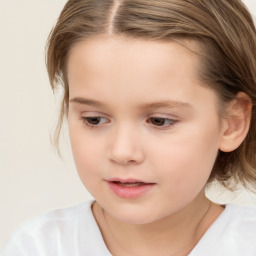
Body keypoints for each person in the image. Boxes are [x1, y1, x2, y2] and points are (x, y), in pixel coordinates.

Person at [1, 0, 256, 255]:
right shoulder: (38, 247)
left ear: (232, 123)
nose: (122, 152)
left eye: (160, 121)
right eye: (94, 119)